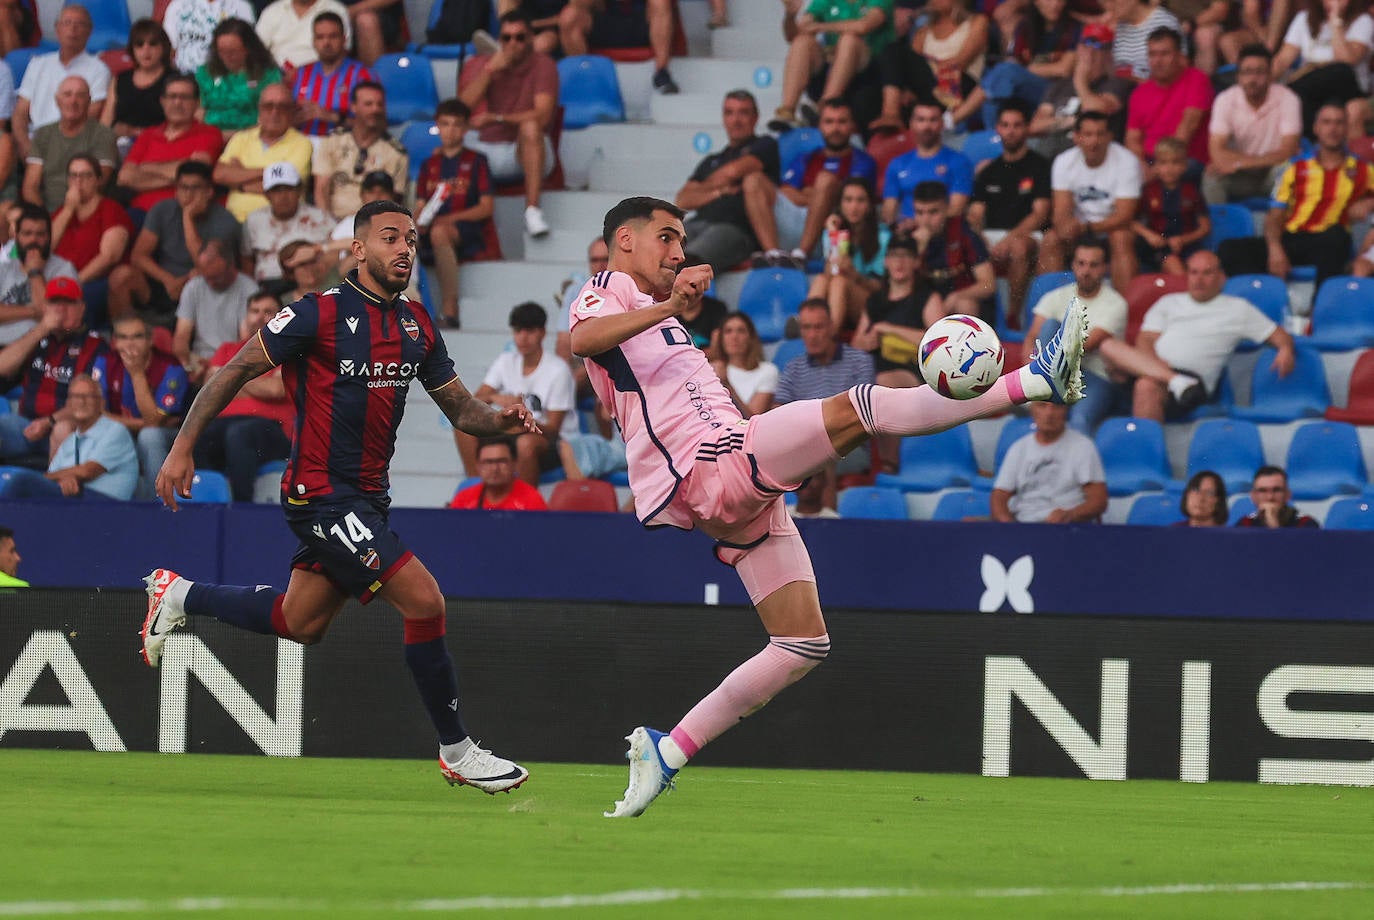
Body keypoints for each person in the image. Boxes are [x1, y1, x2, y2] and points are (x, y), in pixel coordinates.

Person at [570, 196, 1087, 817]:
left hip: (729, 490)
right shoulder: (608, 289)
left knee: (801, 643)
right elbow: (581, 339)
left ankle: (668, 751)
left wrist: (673, 309)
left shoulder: (661, 312)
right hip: (710, 464)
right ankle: (1032, 380)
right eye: (667, 237)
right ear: (623, 239)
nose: (679, 252)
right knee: (861, 406)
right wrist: (669, 306)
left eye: (682, 240)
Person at [143, 199, 538, 794]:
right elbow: (232, 369)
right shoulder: (317, 314)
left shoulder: (416, 325)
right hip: (320, 496)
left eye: (411, 239)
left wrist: (501, 420)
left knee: (299, 621)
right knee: (426, 603)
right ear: (357, 250)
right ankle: (457, 750)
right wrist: (181, 448)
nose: (405, 249)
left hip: (368, 499)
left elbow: (461, 409)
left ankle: (179, 594)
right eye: (390, 238)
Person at [1133, 250, 1296, 422]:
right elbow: (1145, 339)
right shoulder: (1168, 302)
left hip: (1191, 383)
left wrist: (1286, 348)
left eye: (1207, 273)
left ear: (1222, 277)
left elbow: (1279, 335)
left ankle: (1144, 447)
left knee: (1146, 386)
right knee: (1108, 346)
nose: (1199, 280)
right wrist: (1155, 365)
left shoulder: (1238, 309)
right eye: (1194, 272)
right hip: (1150, 367)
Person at [459, 11, 559, 238]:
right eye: (507, 38)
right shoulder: (488, 64)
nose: (513, 43)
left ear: (531, 39)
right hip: (489, 147)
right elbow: (460, 111)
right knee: (450, 130)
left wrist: (496, 118)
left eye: (520, 37)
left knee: (531, 126)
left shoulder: (544, 65)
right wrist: (490, 71)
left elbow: (542, 117)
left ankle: (533, 211)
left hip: (523, 151)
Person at [455, 300, 576, 486]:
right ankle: (476, 489)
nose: (523, 337)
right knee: (464, 428)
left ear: (542, 333)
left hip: (551, 442)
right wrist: (495, 398)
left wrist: (524, 422)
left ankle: (525, 508)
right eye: (518, 331)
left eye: (530, 331)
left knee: (526, 444)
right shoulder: (506, 361)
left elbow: (553, 429)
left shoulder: (558, 370)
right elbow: (475, 401)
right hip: (512, 432)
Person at [110, 160, 242, 326]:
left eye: (195, 188)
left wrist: (187, 217)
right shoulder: (162, 210)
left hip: (202, 286)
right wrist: (168, 280)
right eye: (183, 188)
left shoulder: (225, 221)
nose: (188, 194)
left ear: (209, 191)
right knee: (121, 276)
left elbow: (208, 265)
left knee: (198, 277)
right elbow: (139, 255)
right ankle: (124, 335)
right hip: (163, 282)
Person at [1260, 102, 1374, 287]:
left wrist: (1370, 203)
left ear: (1346, 128)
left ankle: (1318, 310)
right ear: (1316, 128)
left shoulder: (1363, 169)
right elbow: (1275, 215)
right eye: (1327, 122)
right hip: (1292, 239)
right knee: (1233, 250)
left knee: (1335, 237)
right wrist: (1275, 247)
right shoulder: (1293, 167)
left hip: (1331, 239)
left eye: (1339, 123)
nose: (1333, 129)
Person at [753, 98, 877, 268]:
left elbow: (846, 200)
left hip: (830, 232)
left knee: (825, 179)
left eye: (842, 122)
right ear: (820, 126)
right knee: (754, 180)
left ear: (852, 126)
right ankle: (772, 255)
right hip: (794, 220)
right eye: (829, 122)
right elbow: (786, 191)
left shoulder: (863, 162)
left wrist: (816, 191)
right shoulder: (807, 157)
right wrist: (821, 196)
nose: (835, 128)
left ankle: (801, 256)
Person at [777, 298, 876, 509]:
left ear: (831, 327)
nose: (812, 335)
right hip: (804, 445)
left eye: (818, 327)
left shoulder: (860, 361)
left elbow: (861, 415)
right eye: (806, 328)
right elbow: (777, 414)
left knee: (822, 454)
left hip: (849, 446)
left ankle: (826, 523)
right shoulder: (793, 368)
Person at [0, 278, 107, 464]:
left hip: (69, 429)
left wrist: (50, 421)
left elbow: (90, 403)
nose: (60, 309)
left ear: (82, 308)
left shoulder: (96, 347)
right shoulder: (36, 339)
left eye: (68, 303)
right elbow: (2, 367)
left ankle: (55, 490)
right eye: (54, 302)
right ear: (45, 307)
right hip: (25, 425)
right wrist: (41, 328)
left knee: (63, 429)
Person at [674, 90, 781, 275]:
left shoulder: (765, 145)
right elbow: (683, 200)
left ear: (755, 118)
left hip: (736, 229)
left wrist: (702, 189)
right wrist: (719, 191)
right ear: (723, 118)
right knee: (652, 250)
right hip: (699, 223)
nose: (736, 120)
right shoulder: (711, 161)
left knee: (687, 262)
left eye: (743, 112)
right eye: (729, 113)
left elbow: (733, 172)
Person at [967, 100, 1051, 322]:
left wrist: (1009, 238)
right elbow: (975, 214)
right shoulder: (988, 171)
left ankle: (1012, 316)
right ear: (998, 129)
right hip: (993, 235)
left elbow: (1040, 213)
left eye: (1017, 125)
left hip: (1030, 236)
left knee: (1019, 247)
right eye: (1005, 125)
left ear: (1027, 128)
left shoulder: (1041, 166)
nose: (1010, 131)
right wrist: (979, 238)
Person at [416, 99, 495, 330]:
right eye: (445, 124)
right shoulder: (429, 165)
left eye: (457, 125)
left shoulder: (477, 161)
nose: (451, 130)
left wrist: (448, 219)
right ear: (437, 126)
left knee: (440, 232)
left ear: (466, 128)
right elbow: (421, 203)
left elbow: (486, 207)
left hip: (467, 229)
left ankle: (450, 308)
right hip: (432, 229)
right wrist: (416, 222)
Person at [1043, 110, 1141, 294]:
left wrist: (1087, 228)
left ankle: (1124, 309)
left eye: (1100, 134)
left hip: (1111, 228)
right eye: (1088, 134)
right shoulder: (1064, 161)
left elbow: (1124, 215)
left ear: (1110, 136)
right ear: (1077, 137)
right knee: (1051, 239)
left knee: (1121, 238)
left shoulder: (1127, 161)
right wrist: (1066, 226)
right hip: (1079, 228)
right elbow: (1061, 210)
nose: (1094, 141)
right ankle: (1051, 308)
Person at [0, 374, 137, 499]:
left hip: (107, 505)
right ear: (68, 404)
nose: (81, 402)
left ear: (101, 403)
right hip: (72, 503)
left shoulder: (115, 430)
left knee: (21, 481)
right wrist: (62, 480)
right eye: (75, 397)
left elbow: (86, 471)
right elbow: (49, 476)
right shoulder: (70, 441)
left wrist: (66, 476)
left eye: (88, 396)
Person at [768, 0, 894, 132]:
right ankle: (787, 110)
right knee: (802, 42)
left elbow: (864, 26)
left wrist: (821, 27)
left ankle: (825, 106)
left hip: (871, 73)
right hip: (832, 69)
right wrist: (790, 16)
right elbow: (793, 36)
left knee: (849, 40)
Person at [1204, 43, 1303, 205]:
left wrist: (1240, 162)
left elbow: (1288, 151)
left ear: (1271, 74)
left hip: (1271, 172)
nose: (1253, 79)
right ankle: (1221, 228)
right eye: (1247, 72)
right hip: (1241, 177)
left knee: (1288, 172)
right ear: (1238, 76)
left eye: (1259, 72)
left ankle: (1281, 227)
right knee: (1212, 177)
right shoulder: (1225, 100)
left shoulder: (1288, 98)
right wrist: (1253, 162)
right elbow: (1216, 152)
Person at [104, 314, 190, 499]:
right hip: (123, 433)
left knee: (149, 436)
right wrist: (138, 423)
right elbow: (95, 416)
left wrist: (136, 374)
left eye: (137, 336)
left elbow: (153, 422)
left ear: (150, 340)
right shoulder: (106, 362)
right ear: (114, 341)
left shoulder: (171, 368)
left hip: (168, 438)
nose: (130, 344)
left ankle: (158, 504)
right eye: (123, 337)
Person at [115, 72, 226, 214]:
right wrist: (179, 172)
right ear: (163, 101)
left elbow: (195, 175)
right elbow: (125, 178)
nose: (177, 103)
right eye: (172, 97)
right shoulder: (148, 135)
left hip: (183, 212)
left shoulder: (209, 133)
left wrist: (144, 168)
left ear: (196, 103)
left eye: (185, 97)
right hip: (139, 212)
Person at [12, 5, 111, 158]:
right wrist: (26, 146)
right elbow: (20, 113)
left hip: (73, 144)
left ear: (90, 31)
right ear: (57, 29)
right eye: (67, 23)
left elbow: (91, 115)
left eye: (80, 24)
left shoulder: (99, 69)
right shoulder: (38, 64)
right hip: (34, 141)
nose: (73, 29)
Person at [990, 399, 1107, 523]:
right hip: (1022, 525)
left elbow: (1098, 501)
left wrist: (1070, 515)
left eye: (1057, 407)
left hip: (1064, 529)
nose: (1049, 413)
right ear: (1032, 410)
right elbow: (999, 495)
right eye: (1042, 406)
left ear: (1066, 411)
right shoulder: (1019, 447)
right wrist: (1007, 524)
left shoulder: (1083, 446)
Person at [50, 153, 134, 320]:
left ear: (98, 180)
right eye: (73, 175)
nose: (78, 181)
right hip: (58, 281)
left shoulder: (111, 209)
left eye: (86, 175)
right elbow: (45, 248)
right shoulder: (62, 212)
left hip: (94, 282)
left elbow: (109, 256)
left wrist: (73, 283)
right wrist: (68, 210)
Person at [1271, 0, 1373, 138]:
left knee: (1339, 70)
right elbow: (1282, 60)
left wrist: (1335, 21)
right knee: (1299, 96)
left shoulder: (1363, 21)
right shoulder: (1304, 18)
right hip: (1309, 87)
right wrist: (1264, 80)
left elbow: (1346, 59)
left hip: (1347, 88)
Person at [214, 82, 313, 223]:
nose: (274, 112)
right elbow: (219, 174)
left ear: (292, 112)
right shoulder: (241, 138)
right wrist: (270, 172)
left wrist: (239, 180)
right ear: (259, 110)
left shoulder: (303, 143)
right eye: (268, 106)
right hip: (235, 221)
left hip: (280, 223)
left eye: (282, 107)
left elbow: (286, 190)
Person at [1123, 28, 1214, 178]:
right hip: (1149, 160)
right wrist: (1141, 166)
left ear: (1179, 56)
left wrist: (1161, 168)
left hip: (1185, 159)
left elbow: (1188, 126)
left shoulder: (1197, 79)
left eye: (1165, 54)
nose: (1158, 61)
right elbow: (1133, 139)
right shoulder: (1140, 93)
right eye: (1152, 54)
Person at [807, 176, 890, 337]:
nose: (854, 207)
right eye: (848, 200)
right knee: (821, 279)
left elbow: (882, 288)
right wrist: (833, 235)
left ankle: (826, 339)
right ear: (840, 204)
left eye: (860, 200)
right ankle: (808, 325)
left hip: (871, 305)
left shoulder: (883, 237)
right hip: (836, 298)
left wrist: (855, 276)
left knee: (840, 282)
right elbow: (830, 272)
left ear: (870, 205)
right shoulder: (833, 232)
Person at [22, 75, 117, 213]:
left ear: (89, 101)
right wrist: (45, 220)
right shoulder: (43, 134)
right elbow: (30, 187)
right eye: (67, 95)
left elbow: (98, 184)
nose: (73, 101)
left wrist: (65, 215)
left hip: (85, 212)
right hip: (45, 212)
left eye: (80, 95)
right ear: (57, 100)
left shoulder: (103, 135)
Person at [313, 81, 406, 221]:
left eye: (379, 104)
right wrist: (326, 224)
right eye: (368, 104)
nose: (375, 109)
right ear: (354, 107)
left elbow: (393, 203)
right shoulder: (332, 140)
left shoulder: (396, 153)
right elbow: (321, 189)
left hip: (371, 226)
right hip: (331, 222)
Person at [173, 239, 260, 384]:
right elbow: (181, 337)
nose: (210, 283)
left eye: (216, 277)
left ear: (231, 266)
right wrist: (189, 364)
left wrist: (216, 364)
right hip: (198, 363)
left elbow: (245, 341)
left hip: (231, 363)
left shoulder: (249, 289)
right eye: (206, 277)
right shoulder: (194, 286)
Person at [907, 181, 995, 321]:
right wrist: (918, 250)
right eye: (919, 212)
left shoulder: (964, 233)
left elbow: (988, 284)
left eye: (933, 212)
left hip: (958, 303)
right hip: (924, 306)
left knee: (965, 305)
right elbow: (900, 287)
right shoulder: (908, 236)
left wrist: (957, 296)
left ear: (947, 209)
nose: (926, 220)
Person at [880, 99, 975, 224]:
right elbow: (889, 211)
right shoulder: (897, 164)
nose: (927, 126)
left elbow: (956, 210)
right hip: (906, 234)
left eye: (933, 120)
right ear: (911, 124)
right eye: (921, 120)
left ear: (942, 124)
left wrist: (921, 225)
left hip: (942, 234)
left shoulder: (959, 162)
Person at [558, 0, 682, 95]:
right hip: (606, 22)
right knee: (570, 15)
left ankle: (662, 73)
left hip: (643, 23)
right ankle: (584, 77)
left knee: (660, 1)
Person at [0, 203, 78, 346]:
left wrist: (35, 272)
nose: (33, 240)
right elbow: (41, 312)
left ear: (49, 237)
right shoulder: (4, 268)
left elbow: (54, 317)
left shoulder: (64, 269)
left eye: (40, 234)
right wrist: (32, 312)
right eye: (27, 234)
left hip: (39, 350)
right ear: (16, 236)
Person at [244, 161, 334, 283]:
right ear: (266, 195)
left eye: (288, 189)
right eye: (276, 190)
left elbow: (334, 256)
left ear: (299, 191)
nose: (283, 196)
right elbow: (246, 261)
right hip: (268, 287)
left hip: (309, 287)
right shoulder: (253, 221)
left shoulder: (321, 218)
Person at [1132, 137, 1211, 275]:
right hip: (1157, 246)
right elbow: (1132, 222)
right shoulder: (1148, 190)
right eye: (1163, 163)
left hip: (1187, 246)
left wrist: (1183, 240)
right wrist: (1149, 235)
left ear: (1185, 166)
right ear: (1155, 166)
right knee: (1173, 263)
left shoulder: (1192, 191)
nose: (1169, 169)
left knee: (1200, 265)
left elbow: (1205, 227)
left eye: (1175, 163)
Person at [291, 12, 374, 138]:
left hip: (344, 145)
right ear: (313, 42)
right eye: (320, 37)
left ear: (344, 39)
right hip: (302, 145)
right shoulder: (300, 74)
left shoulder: (362, 75)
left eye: (333, 36)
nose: (326, 43)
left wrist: (330, 116)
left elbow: (373, 125)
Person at [196, 18, 284, 135]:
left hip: (253, 137)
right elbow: (197, 112)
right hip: (210, 138)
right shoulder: (205, 73)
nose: (227, 56)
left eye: (232, 51)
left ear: (248, 48)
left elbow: (272, 114)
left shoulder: (268, 75)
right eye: (221, 51)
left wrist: (237, 137)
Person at [101, 19, 174, 151]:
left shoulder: (175, 79)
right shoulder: (120, 79)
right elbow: (105, 124)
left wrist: (136, 132)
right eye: (139, 45)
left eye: (152, 44)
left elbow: (180, 125)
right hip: (119, 145)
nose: (146, 50)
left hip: (161, 146)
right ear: (132, 49)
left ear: (163, 47)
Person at [448, 437, 549, 510]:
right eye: (488, 462)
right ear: (478, 466)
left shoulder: (531, 499)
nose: (495, 468)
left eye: (502, 461)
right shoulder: (464, 498)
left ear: (514, 464)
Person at [710, 311, 778, 417]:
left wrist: (726, 384)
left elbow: (752, 420)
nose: (734, 337)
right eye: (728, 331)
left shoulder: (768, 371)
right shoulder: (711, 370)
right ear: (721, 339)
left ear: (750, 338)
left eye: (741, 331)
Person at [162, 0, 256, 73]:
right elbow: (169, 49)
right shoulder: (178, 5)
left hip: (226, 79)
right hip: (184, 79)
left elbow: (248, 49)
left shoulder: (241, 7)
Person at [256, 0, 353, 69]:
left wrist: (303, 72)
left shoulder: (336, 9)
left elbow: (343, 50)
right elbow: (256, 49)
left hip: (320, 74)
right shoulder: (272, 11)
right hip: (277, 76)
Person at [1236, 465, 1319, 527]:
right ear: (1253, 497)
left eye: (1276, 490)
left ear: (1287, 495)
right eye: (1263, 491)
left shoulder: (1305, 523)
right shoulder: (1246, 523)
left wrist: (1273, 524)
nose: (1270, 497)